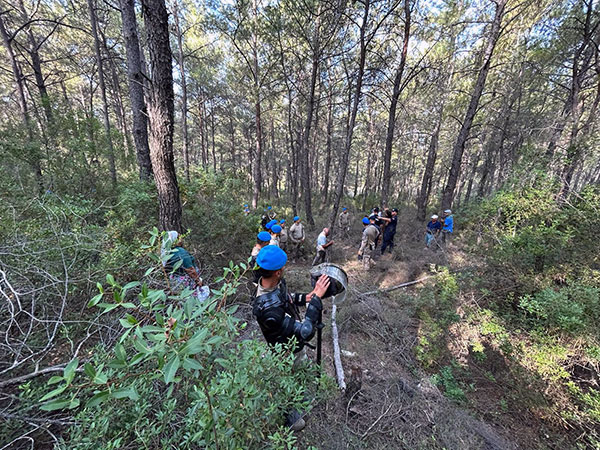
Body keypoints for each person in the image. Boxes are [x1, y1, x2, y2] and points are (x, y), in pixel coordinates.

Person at [252, 245, 330, 431]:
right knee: (288, 376)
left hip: (290, 339)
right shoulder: (269, 310)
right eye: (283, 268)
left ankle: (299, 396)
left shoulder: (269, 282)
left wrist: (307, 298)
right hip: (285, 350)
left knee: (300, 373)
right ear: (278, 272)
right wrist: (317, 300)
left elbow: (286, 297)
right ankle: (290, 417)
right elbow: (305, 332)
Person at [162, 231, 209, 302]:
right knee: (192, 303)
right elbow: (190, 269)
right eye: (179, 238)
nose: (181, 239)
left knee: (182, 301)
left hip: (176, 283)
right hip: (187, 282)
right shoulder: (180, 252)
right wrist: (198, 281)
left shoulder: (167, 253)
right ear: (175, 239)